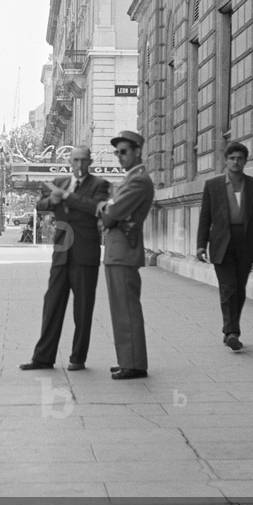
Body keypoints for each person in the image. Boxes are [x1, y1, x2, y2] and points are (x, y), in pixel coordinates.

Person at [19, 146, 111, 372]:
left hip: (85, 254)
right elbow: (40, 206)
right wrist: (53, 199)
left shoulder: (100, 185)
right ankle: (42, 358)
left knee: (83, 309)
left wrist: (68, 196)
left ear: (90, 162)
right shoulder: (58, 181)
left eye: (83, 161)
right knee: (51, 304)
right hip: (61, 252)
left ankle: (77, 359)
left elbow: (95, 209)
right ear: (69, 161)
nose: (79, 165)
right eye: (75, 160)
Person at [195, 140, 253, 352]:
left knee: (239, 289)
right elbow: (205, 216)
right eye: (232, 158)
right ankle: (231, 332)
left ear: (245, 161)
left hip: (246, 242)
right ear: (226, 161)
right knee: (228, 287)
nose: (236, 162)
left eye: (240, 158)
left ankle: (232, 329)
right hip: (221, 242)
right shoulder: (213, 185)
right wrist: (201, 245)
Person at [98, 130, 155, 380]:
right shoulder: (131, 179)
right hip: (118, 251)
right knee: (121, 308)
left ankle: (133, 363)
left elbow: (111, 214)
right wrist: (108, 209)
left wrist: (106, 209)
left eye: (124, 152)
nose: (119, 157)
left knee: (126, 309)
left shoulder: (138, 180)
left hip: (123, 251)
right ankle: (127, 359)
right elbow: (111, 213)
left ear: (137, 152)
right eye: (117, 153)